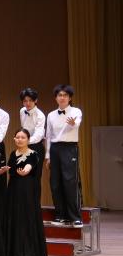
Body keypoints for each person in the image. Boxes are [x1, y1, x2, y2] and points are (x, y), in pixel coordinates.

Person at [6, 129, 48, 256]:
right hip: (14, 189)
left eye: (23, 137)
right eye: (17, 137)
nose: (20, 139)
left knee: (27, 216)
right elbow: (11, 169)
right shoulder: (13, 154)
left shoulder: (33, 154)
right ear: (14, 139)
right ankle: (14, 252)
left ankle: (29, 251)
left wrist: (26, 170)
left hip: (28, 189)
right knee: (15, 216)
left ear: (28, 140)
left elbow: (30, 164)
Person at [46, 83, 83, 227]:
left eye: (65, 95)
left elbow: (77, 123)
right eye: (60, 95)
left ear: (70, 98)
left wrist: (73, 123)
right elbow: (48, 135)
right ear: (56, 98)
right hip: (55, 149)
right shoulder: (51, 115)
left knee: (70, 182)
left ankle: (75, 217)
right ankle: (60, 215)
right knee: (55, 183)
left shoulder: (76, 111)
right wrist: (48, 156)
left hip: (69, 148)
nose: (62, 98)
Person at [19, 87, 47, 193]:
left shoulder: (40, 115)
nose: (28, 103)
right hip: (24, 147)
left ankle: (35, 203)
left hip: (36, 147)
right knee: (23, 176)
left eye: (30, 100)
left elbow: (38, 135)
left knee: (35, 178)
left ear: (36, 100)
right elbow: (23, 129)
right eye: (25, 101)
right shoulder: (22, 111)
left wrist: (24, 141)